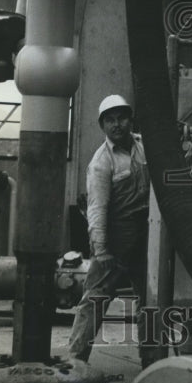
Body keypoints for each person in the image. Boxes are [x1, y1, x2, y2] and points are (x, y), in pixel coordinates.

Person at [68, 94, 151, 363]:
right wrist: (101, 251)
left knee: (150, 302)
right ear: (102, 126)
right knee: (94, 301)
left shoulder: (144, 146)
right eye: (110, 120)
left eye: (122, 118)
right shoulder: (101, 162)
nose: (117, 125)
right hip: (116, 239)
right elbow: (96, 210)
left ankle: (152, 361)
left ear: (130, 119)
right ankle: (75, 361)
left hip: (147, 235)